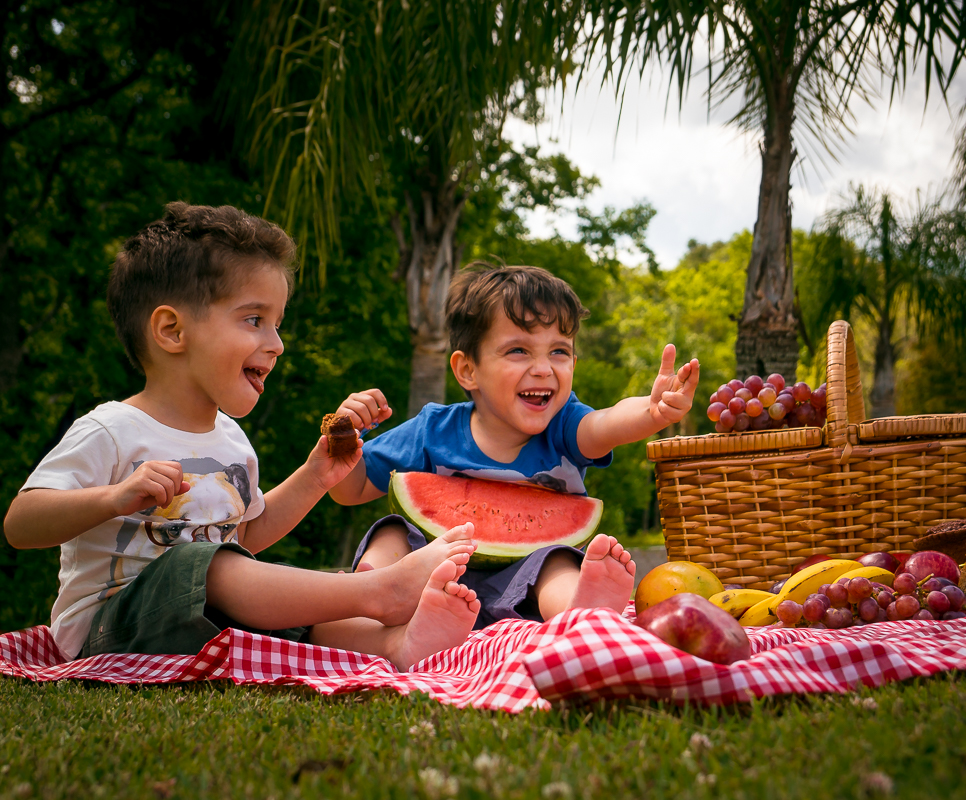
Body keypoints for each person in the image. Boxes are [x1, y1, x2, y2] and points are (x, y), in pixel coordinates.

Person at [3, 202, 480, 670]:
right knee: (208, 567)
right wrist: (113, 498)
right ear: (171, 331)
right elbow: (20, 523)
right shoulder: (110, 429)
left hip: (205, 621)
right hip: (109, 627)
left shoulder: (231, 442)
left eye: (277, 324)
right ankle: (382, 591)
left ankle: (395, 645)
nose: (277, 344)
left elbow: (247, 534)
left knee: (292, 604)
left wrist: (316, 476)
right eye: (255, 320)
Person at [328, 264, 700, 627]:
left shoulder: (565, 425)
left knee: (554, 561)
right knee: (392, 530)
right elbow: (352, 489)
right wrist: (343, 440)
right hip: (429, 577)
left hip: (526, 589)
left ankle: (580, 610)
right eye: (519, 351)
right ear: (467, 370)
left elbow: (606, 422)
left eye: (559, 351)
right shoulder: (433, 429)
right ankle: (366, 591)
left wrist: (651, 413)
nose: (543, 368)